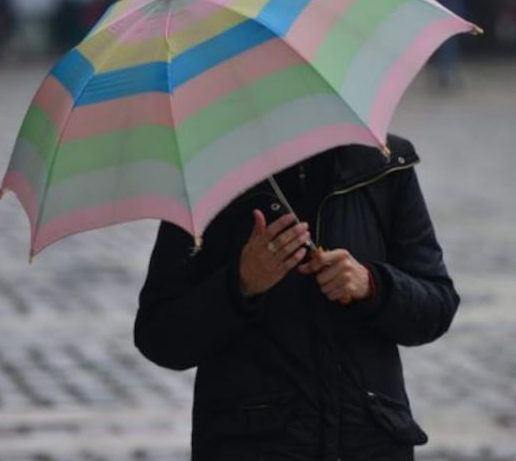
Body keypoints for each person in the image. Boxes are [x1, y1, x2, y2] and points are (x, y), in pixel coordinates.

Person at [134, 134, 460, 460]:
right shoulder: (206, 178)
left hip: (370, 443)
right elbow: (159, 335)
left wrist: (371, 286)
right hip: (253, 445)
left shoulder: (384, 163)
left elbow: (437, 304)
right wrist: (240, 285)